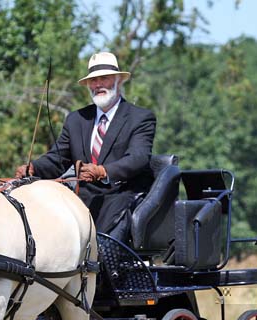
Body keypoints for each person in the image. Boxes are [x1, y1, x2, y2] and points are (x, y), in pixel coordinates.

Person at [15, 52, 156, 241]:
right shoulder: (77, 119)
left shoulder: (140, 117)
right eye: (93, 80)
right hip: (81, 198)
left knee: (102, 241)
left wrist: (103, 171)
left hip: (122, 197)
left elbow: (138, 157)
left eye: (104, 78)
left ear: (118, 81)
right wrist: (34, 168)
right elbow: (58, 158)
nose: (98, 85)